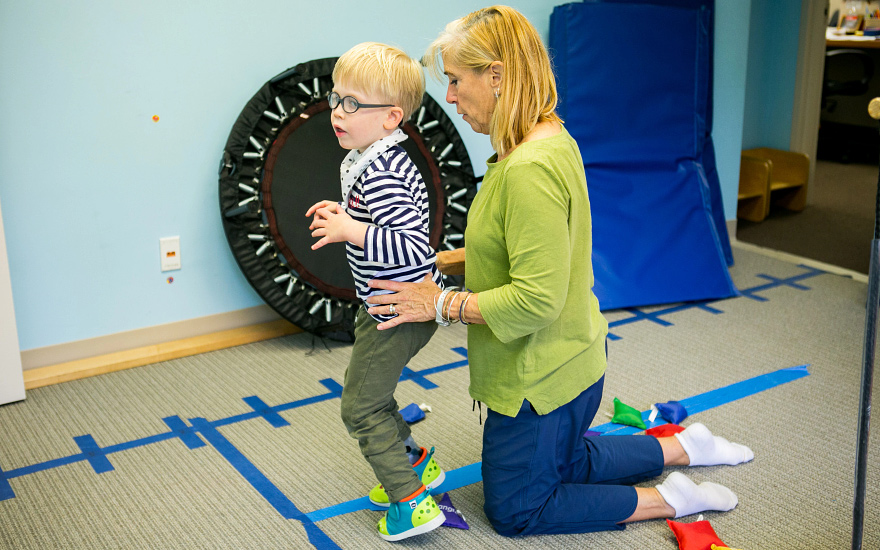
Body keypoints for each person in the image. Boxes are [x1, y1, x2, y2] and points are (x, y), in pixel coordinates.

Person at [365, 6, 755, 537]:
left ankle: (670, 498)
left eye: (456, 80)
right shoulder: (545, 136)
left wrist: (439, 303)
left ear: (496, 75)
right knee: (566, 462)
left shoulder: (529, 169)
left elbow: (535, 300)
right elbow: (522, 251)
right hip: (573, 359)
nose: (450, 96)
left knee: (515, 510)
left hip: (545, 380)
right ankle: (683, 446)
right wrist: (430, 263)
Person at [305, 42, 447, 542]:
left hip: (399, 309)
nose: (337, 112)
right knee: (370, 391)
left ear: (391, 117)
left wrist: (352, 229)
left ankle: (411, 501)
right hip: (381, 304)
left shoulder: (384, 171)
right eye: (335, 98)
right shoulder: (369, 156)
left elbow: (410, 246)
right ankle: (417, 461)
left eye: (352, 103)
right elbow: (381, 220)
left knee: (360, 407)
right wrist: (348, 215)